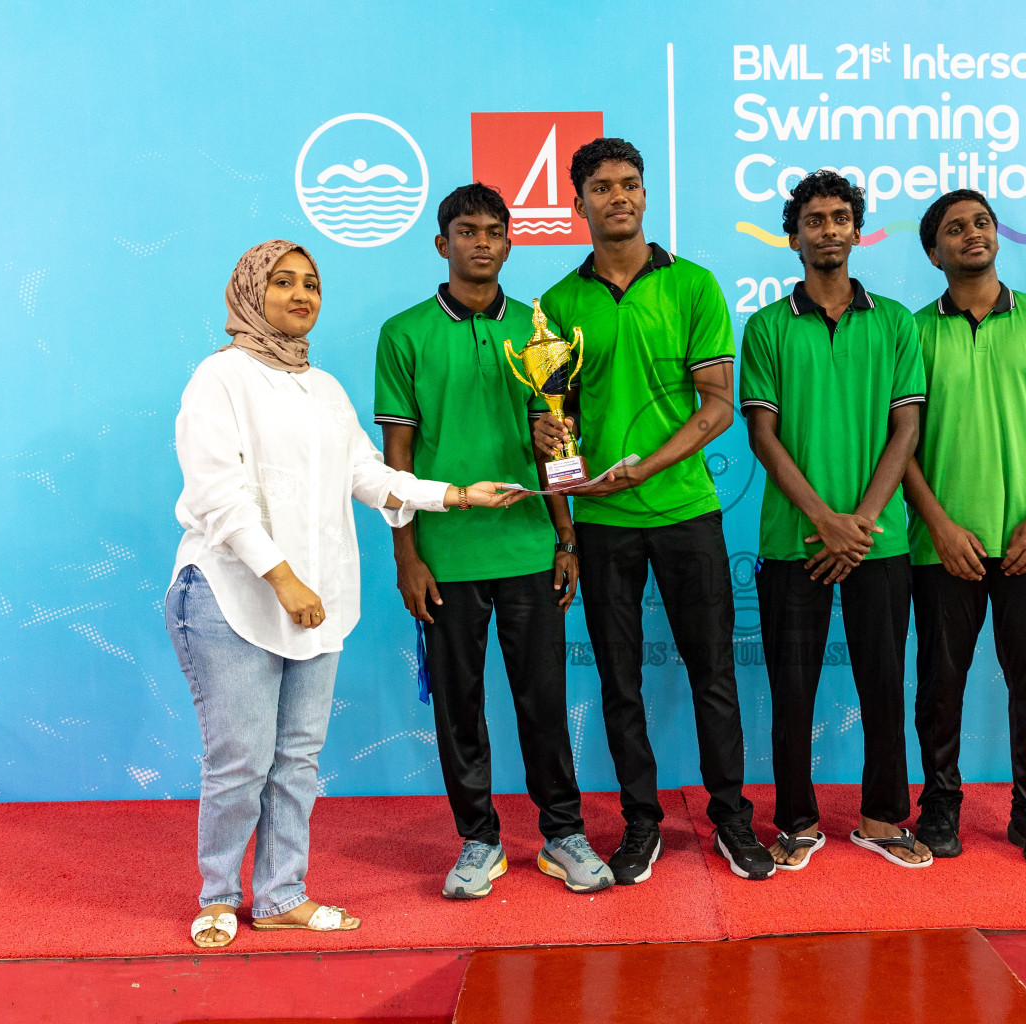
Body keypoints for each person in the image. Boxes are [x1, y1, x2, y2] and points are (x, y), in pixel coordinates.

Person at [169, 239, 524, 949]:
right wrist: (282, 577)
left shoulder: (323, 389)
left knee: (298, 759)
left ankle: (279, 894)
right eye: (283, 282)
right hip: (234, 596)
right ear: (249, 291)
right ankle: (217, 894)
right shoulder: (221, 378)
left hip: (316, 603)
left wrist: (456, 494)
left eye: (311, 284)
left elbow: (369, 475)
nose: (300, 295)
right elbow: (220, 497)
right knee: (241, 758)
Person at [533, 137, 775, 883]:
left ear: (646, 194)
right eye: (602, 186)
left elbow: (717, 409)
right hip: (602, 528)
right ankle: (642, 824)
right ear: (578, 203)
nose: (619, 198)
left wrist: (642, 470)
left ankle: (732, 818)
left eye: (630, 184)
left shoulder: (694, 285)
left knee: (713, 674)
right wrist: (568, 519)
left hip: (685, 512)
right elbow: (556, 431)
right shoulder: (557, 306)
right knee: (620, 680)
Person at [375, 183, 613, 898]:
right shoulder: (404, 332)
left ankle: (562, 834)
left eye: (495, 231)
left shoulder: (540, 330)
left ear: (511, 242)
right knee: (459, 706)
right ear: (442, 244)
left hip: (528, 548)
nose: (482, 242)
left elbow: (558, 449)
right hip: (446, 557)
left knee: (544, 697)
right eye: (467, 231)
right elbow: (398, 457)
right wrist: (407, 554)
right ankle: (478, 842)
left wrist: (566, 536)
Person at [903, 190, 1026, 870]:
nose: (972, 235)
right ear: (934, 252)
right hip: (941, 546)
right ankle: (941, 806)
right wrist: (939, 525)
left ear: (997, 236)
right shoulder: (913, 333)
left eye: (981, 223)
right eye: (954, 229)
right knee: (938, 686)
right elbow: (900, 443)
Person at [740, 170, 930, 870]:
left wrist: (863, 523)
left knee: (885, 683)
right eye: (814, 219)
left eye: (840, 217)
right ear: (794, 237)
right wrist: (826, 520)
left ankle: (884, 817)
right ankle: (795, 821)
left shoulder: (896, 322)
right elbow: (764, 436)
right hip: (796, 541)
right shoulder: (765, 327)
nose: (828, 229)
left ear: (857, 230)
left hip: (878, 541)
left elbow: (905, 430)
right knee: (792, 688)